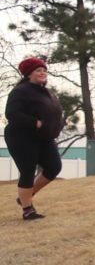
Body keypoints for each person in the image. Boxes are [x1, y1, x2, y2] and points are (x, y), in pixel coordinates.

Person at [5, 57, 63, 220]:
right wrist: (35, 123)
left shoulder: (47, 92)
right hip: (21, 137)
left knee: (54, 167)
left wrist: (58, 125)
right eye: (38, 70)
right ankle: (27, 209)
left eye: (44, 70)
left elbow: (55, 112)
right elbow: (12, 113)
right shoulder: (20, 91)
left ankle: (26, 195)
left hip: (44, 137)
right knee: (28, 171)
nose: (43, 73)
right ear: (28, 74)